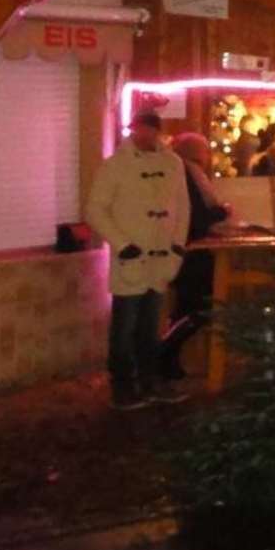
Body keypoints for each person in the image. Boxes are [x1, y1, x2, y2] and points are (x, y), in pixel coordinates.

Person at [86, 110, 191, 409]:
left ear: (157, 132)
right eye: (140, 129)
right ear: (133, 130)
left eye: (150, 130)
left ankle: (150, 379)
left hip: (161, 257)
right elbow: (95, 209)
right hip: (132, 258)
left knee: (150, 325)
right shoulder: (116, 166)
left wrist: (177, 245)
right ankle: (122, 385)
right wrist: (122, 244)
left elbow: (182, 207)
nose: (145, 135)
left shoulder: (173, 164)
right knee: (124, 326)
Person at [157, 131, 232, 380]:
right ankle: (165, 352)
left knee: (186, 306)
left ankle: (168, 359)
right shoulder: (189, 176)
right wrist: (222, 212)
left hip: (181, 250)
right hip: (190, 252)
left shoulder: (177, 172)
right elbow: (196, 217)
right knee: (200, 306)